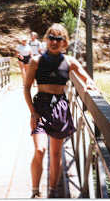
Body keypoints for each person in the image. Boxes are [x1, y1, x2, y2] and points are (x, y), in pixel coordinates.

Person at [23, 23, 96, 198]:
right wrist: (32, 112)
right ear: (46, 39)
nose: (54, 42)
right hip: (40, 107)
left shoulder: (69, 62)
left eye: (59, 39)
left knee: (55, 154)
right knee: (40, 149)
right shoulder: (36, 61)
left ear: (64, 42)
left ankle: (53, 192)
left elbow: (87, 78)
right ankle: (35, 191)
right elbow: (26, 88)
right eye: (51, 38)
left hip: (60, 108)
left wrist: (89, 85)